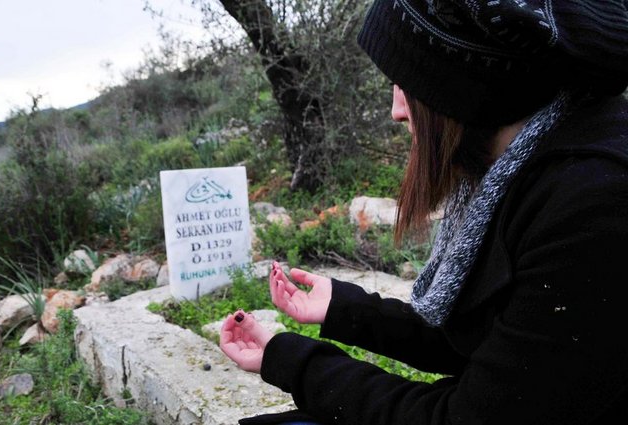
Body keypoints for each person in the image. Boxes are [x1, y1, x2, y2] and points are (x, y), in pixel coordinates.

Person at [220, 1, 628, 424]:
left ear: (463, 81)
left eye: (407, 82)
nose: (397, 110)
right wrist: (345, 309)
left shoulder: (594, 202)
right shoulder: (527, 161)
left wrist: (296, 363)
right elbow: (483, 342)